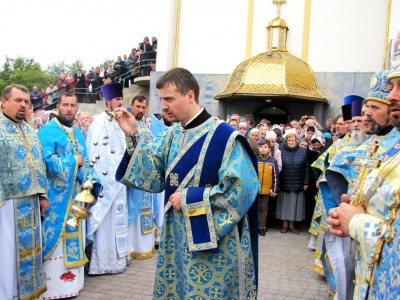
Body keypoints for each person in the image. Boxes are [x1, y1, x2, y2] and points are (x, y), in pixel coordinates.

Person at [114, 68, 260, 299]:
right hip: (175, 239)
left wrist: (190, 199)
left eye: (169, 99)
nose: (162, 106)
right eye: (161, 99)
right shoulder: (172, 135)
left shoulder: (225, 137)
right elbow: (151, 173)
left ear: (190, 96)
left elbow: (243, 189)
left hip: (214, 247)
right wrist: (134, 133)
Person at [327, 66, 400, 298]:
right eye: (391, 88)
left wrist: (356, 222)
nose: (392, 96)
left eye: (373, 107)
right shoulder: (373, 145)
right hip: (365, 262)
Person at [38, 93, 101, 299]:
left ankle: (72, 285)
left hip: (77, 197)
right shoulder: (47, 132)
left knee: (75, 236)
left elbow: (87, 160)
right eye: (65, 105)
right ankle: (54, 289)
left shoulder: (77, 133)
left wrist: (92, 182)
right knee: (56, 241)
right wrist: (72, 160)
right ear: (58, 106)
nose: (69, 109)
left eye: (73, 105)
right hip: (57, 198)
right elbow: (45, 162)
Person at [0, 84, 48, 299]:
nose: (23, 105)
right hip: (7, 204)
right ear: (3, 102)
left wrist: (43, 194)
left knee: (30, 254)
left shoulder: (29, 130)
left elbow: (39, 163)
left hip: (30, 203)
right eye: (18, 100)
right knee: (7, 255)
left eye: (27, 101)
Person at [86, 82, 130, 274]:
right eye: (117, 99)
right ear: (108, 101)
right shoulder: (99, 122)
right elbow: (96, 154)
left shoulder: (120, 120)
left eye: (121, 99)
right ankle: (103, 263)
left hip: (120, 181)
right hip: (108, 183)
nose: (120, 103)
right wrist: (111, 178)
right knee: (105, 221)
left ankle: (119, 260)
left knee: (119, 219)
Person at [116, 95, 157, 259]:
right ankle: (131, 247)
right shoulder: (125, 123)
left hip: (146, 176)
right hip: (133, 177)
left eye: (143, 107)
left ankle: (144, 246)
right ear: (131, 105)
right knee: (133, 209)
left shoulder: (146, 127)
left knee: (145, 209)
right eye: (138, 106)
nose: (140, 110)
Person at [276, 132, 309, 234]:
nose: (291, 142)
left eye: (293, 140)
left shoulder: (303, 151)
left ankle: (292, 225)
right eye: (289, 140)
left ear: (296, 141)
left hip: (298, 182)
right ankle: (284, 225)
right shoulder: (280, 150)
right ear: (286, 141)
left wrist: (306, 183)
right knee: (284, 205)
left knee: (294, 205)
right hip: (284, 182)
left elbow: (306, 169)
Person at [257, 139, 279, 236]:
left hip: (266, 190)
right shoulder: (256, 159)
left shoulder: (273, 161)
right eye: (261, 147)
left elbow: (275, 177)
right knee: (256, 208)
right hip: (256, 190)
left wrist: (274, 189)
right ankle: (255, 226)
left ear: (269, 149)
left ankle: (262, 226)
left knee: (264, 208)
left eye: (265, 147)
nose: (263, 149)